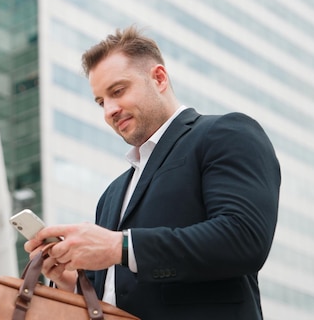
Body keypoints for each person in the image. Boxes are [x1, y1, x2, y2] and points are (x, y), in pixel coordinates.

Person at [24, 26, 281, 319]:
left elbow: (244, 238)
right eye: (100, 102)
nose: (109, 110)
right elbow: (118, 296)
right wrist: (71, 282)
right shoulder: (112, 194)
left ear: (158, 78)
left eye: (117, 91)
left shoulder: (225, 133)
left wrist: (118, 246)